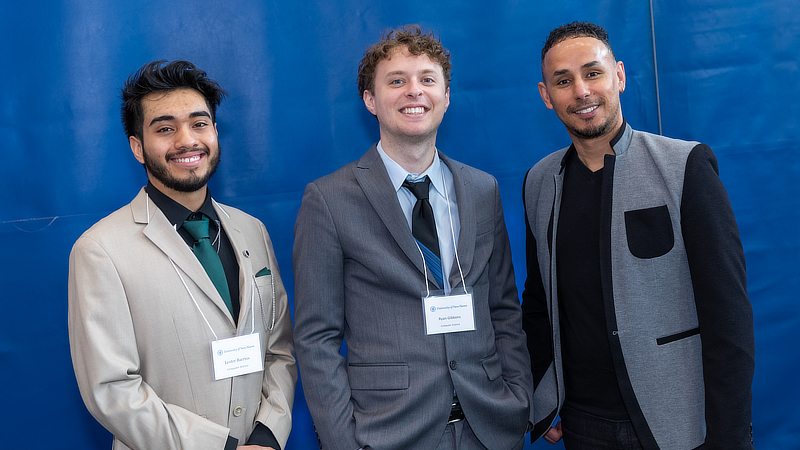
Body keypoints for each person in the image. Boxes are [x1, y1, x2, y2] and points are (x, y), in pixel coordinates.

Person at [293, 25, 532, 450]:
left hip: (490, 427)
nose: (414, 92)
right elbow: (316, 337)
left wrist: (519, 398)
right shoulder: (328, 200)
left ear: (445, 96)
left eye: (427, 79)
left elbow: (503, 309)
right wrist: (342, 440)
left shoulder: (482, 189)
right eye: (397, 81)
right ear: (370, 100)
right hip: (388, 433)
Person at [522, 21, 755, 450]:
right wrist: (543, 398)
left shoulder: (684, 167)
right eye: (563, 81)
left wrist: (730, 438)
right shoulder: (539, 183)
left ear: (620, 76)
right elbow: (538, 303)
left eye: (593, 73)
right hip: (582, 424)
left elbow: (730, 318)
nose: (582, 91)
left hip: (677, 424)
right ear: (546, 96)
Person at [68, 60, 296, 450]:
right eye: (165, 128)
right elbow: (112, 389)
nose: (187, 140)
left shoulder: (251, 230)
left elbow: (279, 350)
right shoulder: (100, 250)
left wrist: (268, 434)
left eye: (199, 123)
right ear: (137, 147)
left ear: (215, 132)